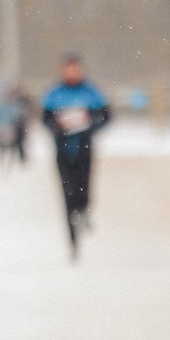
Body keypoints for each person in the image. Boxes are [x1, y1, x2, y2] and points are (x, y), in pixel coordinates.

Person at [39, 55, 111, 257]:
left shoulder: (91, 91)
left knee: (84, 187)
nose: (72, 72)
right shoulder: (54, 94)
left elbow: (106, 116)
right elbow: (45, 119)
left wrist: (89, 125)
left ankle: (84, 210)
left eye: (75, 69)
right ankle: (72, 240)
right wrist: (59, 127)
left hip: (84, 148)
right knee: (67, 193)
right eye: (68, 69)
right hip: (62, 150)